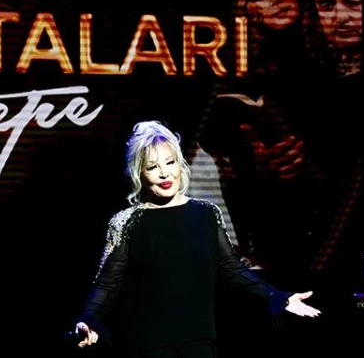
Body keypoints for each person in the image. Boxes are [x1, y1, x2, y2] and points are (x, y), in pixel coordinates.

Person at [71, 121, 320, 358]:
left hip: (199, 341)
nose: (164, 173)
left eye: (170, 162)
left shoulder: (206, 213)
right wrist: (88, 319)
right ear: (139, 173)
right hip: (147, 344)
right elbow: (107, 283)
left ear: (179, 163)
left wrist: (277, 296)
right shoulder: (127, 222)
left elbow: (233, 269)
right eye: (152, 167)